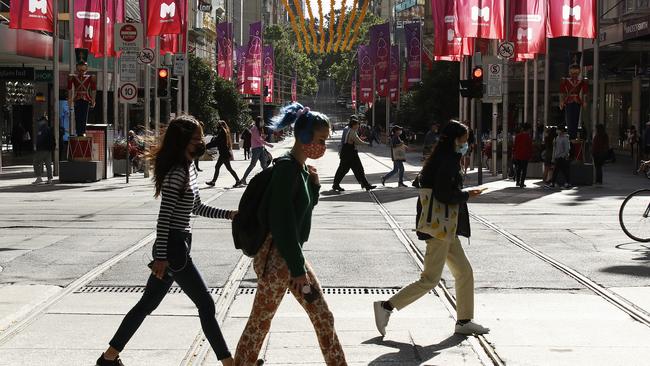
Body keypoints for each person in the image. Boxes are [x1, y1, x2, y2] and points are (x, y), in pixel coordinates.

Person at [96, 115, 235, 366]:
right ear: (183, 140)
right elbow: (163, 219)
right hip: (173, 249)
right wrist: (161, 257)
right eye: (196, 138)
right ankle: (228, 362)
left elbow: (198, 207)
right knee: (205, 303)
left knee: (147, 304)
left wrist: (229, 215)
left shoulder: (189, 167)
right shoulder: (177, 173)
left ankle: (109, 357)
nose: (201, 142)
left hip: (179, 244)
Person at [234, 103, 347, 366]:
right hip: (279, 260)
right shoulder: (287, 170)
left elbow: (300, 213)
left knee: (322, 316)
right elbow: (282, 222)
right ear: (304, 137)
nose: (324, 146)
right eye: (321, 140)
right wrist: (297, 269)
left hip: (291, 256)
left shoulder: (301, 170)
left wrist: (315, 186)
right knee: (260, 321)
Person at [373, 120, 489, 337]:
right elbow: (444, 194)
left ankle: (464, 320)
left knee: (464, 272)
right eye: (464, 140)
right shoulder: (448, 161)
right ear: (454, 140)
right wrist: (467, 195)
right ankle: (386, 307)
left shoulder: (440, 158)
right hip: (440, 228)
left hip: (445, 227)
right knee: (430, 279)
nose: (466, 144)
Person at [332, 117, 376, 192]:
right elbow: (357, 141)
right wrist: (367, 143)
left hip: (346, 153)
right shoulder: (352, 131)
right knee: (359, 169)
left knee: (343, 170)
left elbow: (355, 140)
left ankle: (336, 184)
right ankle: (366, 185)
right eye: (357, 124)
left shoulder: (349, 130)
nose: (358, 126)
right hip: (351, 153)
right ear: (354, 125)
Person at [206, 120, 242, 188]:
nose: (217, 126)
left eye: (218, 124)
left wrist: (206, 146)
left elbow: (217, 142)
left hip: (224, 153)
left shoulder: (222, 132)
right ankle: (213, 182)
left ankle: (238, 180)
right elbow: (217, 141)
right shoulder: (224, 131)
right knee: (219, 167)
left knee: (227, 168)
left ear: (220, 125)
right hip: (224, 152)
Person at [240, 117, 274, 185]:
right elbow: (258, 140)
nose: (263, 123)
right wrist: (268, 144)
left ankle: (268, 180)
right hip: (256, 149)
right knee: (253, 164)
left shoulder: (259, 129)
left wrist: (263, 137)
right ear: (259, 122)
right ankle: (243, 179)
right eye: (262, 121)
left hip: (261, 148)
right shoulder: (254, 129)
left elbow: (259, 139)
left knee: (264, 165)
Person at [32, 116, 55, 185]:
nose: (39, 122)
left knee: (35, 162)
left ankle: (39, 177)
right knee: (48, 164)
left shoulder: (42, 129)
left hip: (42, 149)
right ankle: (49, 179)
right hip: (48, 149)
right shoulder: (49, 129)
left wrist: (37, 147)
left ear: (44, 121)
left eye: (40, 121)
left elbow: (40, 140)